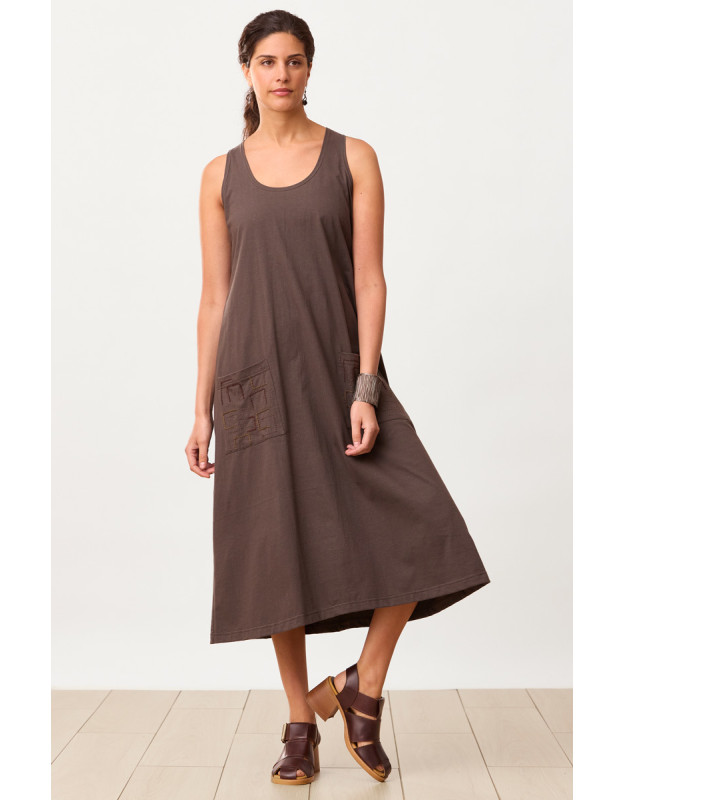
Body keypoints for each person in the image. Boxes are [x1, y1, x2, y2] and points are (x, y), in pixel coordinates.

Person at [186, 9, 491, 786]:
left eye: (294, 60)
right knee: (274, 549)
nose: (281, 73)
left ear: (310, 69)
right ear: (247, 71)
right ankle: (299, 721)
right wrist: (199, 409)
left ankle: (362, 684)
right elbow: (214, 299)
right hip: (253, 384)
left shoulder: (353, 157)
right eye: (267, 61)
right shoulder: (220, 175)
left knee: (422, 521)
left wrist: (366, 386)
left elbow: (369, 281)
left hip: (337, 373)